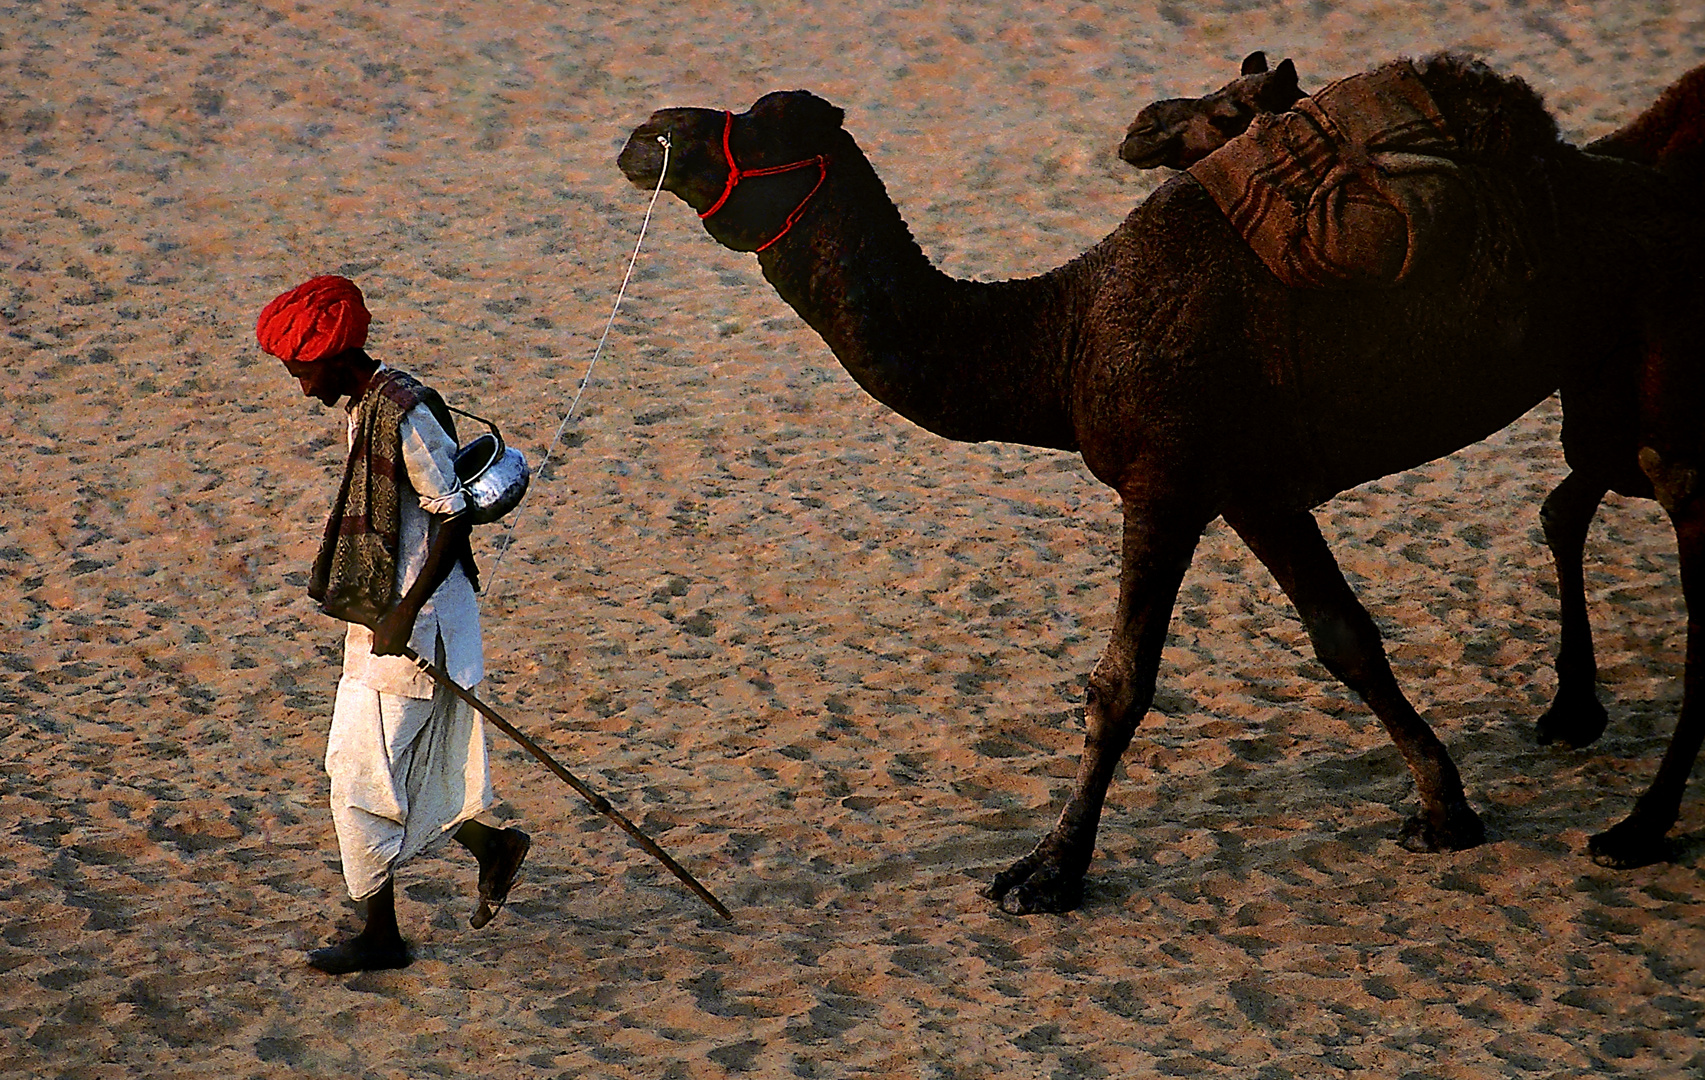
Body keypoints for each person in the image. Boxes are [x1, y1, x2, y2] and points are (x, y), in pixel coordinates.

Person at [257, 274, 529, 974]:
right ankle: (489, 847)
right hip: (388, 614)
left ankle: (381, 937)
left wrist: (405, 612)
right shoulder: (366, 406)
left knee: (354, 773)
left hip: (418, 623)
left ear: (335, 357)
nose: (299, 386)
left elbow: (450, 513)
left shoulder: (403, 414)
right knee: (395, 765)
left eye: (300, 369)